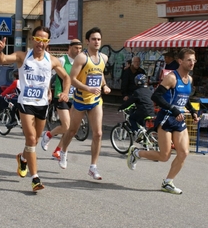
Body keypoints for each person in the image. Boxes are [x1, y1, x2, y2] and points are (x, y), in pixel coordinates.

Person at [0, 26, 71, 192]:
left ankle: (22, 158)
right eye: (38, 39)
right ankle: (35, 178)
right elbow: (2, 60)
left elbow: (66, 77)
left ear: (47, 42)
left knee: (35, 140)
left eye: (44, 40)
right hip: (25, 103)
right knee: (30, 138)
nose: (40, 43)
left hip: (42, 105)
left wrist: (65, 92)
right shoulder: (23, 56)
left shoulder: (52, 60)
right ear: (32, 39)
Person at [126, 48, 199, 194]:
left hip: (179, 119)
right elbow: (156, 97)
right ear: (180, 61)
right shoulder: (172, 77)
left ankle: (168, 182)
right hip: (166, 118)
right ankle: (137, 153)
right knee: (164, 156)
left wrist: (192, 111)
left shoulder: (189, 79)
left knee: (184, 152)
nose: (192, 63)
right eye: (189, 60)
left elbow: (184, 98)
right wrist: (174, 109)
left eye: (194, 60)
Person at [58, 27, 111, 180]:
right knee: (72, 131)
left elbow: (99, 73)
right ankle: (63, 151)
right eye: (94, 39)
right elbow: (72, 79)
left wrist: (104, 85)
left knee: (98, 133)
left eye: (99, 39)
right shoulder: (81, 58)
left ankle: (93, 167)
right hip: (80, 100)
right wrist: (88, 87)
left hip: (95, 101)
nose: (97, 42)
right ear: (88, 41)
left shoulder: (104, 58)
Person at [40, 39, 83, 160]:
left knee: (70, 130)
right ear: (70, 48)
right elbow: (49, 75)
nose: (78, 51)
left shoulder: (80, 62)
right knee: (67, 126)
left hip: (75, 97)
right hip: (61, 96)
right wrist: (48, 91)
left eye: (80, 48)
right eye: (76, 48)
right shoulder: (63, 60)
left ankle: (58, 151)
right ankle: (48, 135)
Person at [118, 74, 155, 140]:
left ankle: (137, 131)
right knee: (142, 122)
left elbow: (129, 102)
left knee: (131, 118)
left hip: (143, 111)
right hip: (152, 111)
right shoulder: (149, 91)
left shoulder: (137, 92)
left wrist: (121, 107)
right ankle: (144, 140)